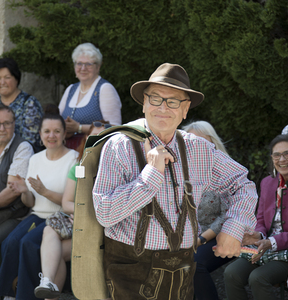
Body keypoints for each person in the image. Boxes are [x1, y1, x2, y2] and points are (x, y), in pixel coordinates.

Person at [92, 63, 258, 299]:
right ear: (144, 103)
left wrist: (233, 227)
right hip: (129, 272)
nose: (162, 108)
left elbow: (242, 183)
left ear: (185, 109)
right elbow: (104, 212)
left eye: (172, 101)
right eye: (155, 98)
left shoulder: (199, 149)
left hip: (181, 272)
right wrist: (150, 176)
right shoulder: (119, 145)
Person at [0, 113, 78, 300]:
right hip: (37, 215)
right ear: (40, 134)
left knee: (28, 243)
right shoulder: (36, 159)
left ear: (65, 134)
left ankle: (27, 295)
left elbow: (72, 199)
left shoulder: (74, 158)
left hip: (59, 217)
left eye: (57, 131)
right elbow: (30, 203)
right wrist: (25, 191)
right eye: (47, 131)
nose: (51, 136)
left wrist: (45, 191)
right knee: (11, 241)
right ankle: (6, 294)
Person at [34, 121, 110, 299]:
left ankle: (48, 283)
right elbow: (66, 202)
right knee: (50, 235)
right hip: (79, 224)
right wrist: (80, 214)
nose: (97, 142)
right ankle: (48, 284)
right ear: (86, 139)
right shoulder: (79, 167)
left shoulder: (117, 169)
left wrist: (86, 217)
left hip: (103, 231)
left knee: (55, 248)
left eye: (103, 138)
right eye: (93, 138)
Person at [224, 134, 288, 300]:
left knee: (258, 278)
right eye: (277, 155)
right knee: (231, 273)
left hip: (284, 252)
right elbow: (260, 219)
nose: (282, 159)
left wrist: (272, 242)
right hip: (264, 248)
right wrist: (258, 235)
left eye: (287, 154)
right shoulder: (267, 183)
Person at [183, 121, 232, 300]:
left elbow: (228, 215)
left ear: (212, 142)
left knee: (193, 264)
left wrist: (201, 239)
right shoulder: (181, 172)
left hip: (219, 236)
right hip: (187, 238)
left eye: (200, 140)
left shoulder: (226, 171)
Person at [0, 105, 33, 300]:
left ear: (14, 124)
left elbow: (12, 190)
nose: (2, 128)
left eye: (7, 123)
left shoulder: (22, 147)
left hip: (13, 215)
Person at [59, 42, 122, 150]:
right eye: (79, 63)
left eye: (89, 64)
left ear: (98, 67)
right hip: (66, 152)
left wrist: (79, 128)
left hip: (93, 151)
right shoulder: (71, 89)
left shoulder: (105, 88)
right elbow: (57, 119)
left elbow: (114, 128)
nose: (83, 68)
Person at [0, 58, 44, 151]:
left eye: (7, 77)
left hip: (21, 157)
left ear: (16, 79)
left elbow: (31, 142)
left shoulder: (29, 104)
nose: (2, 82)